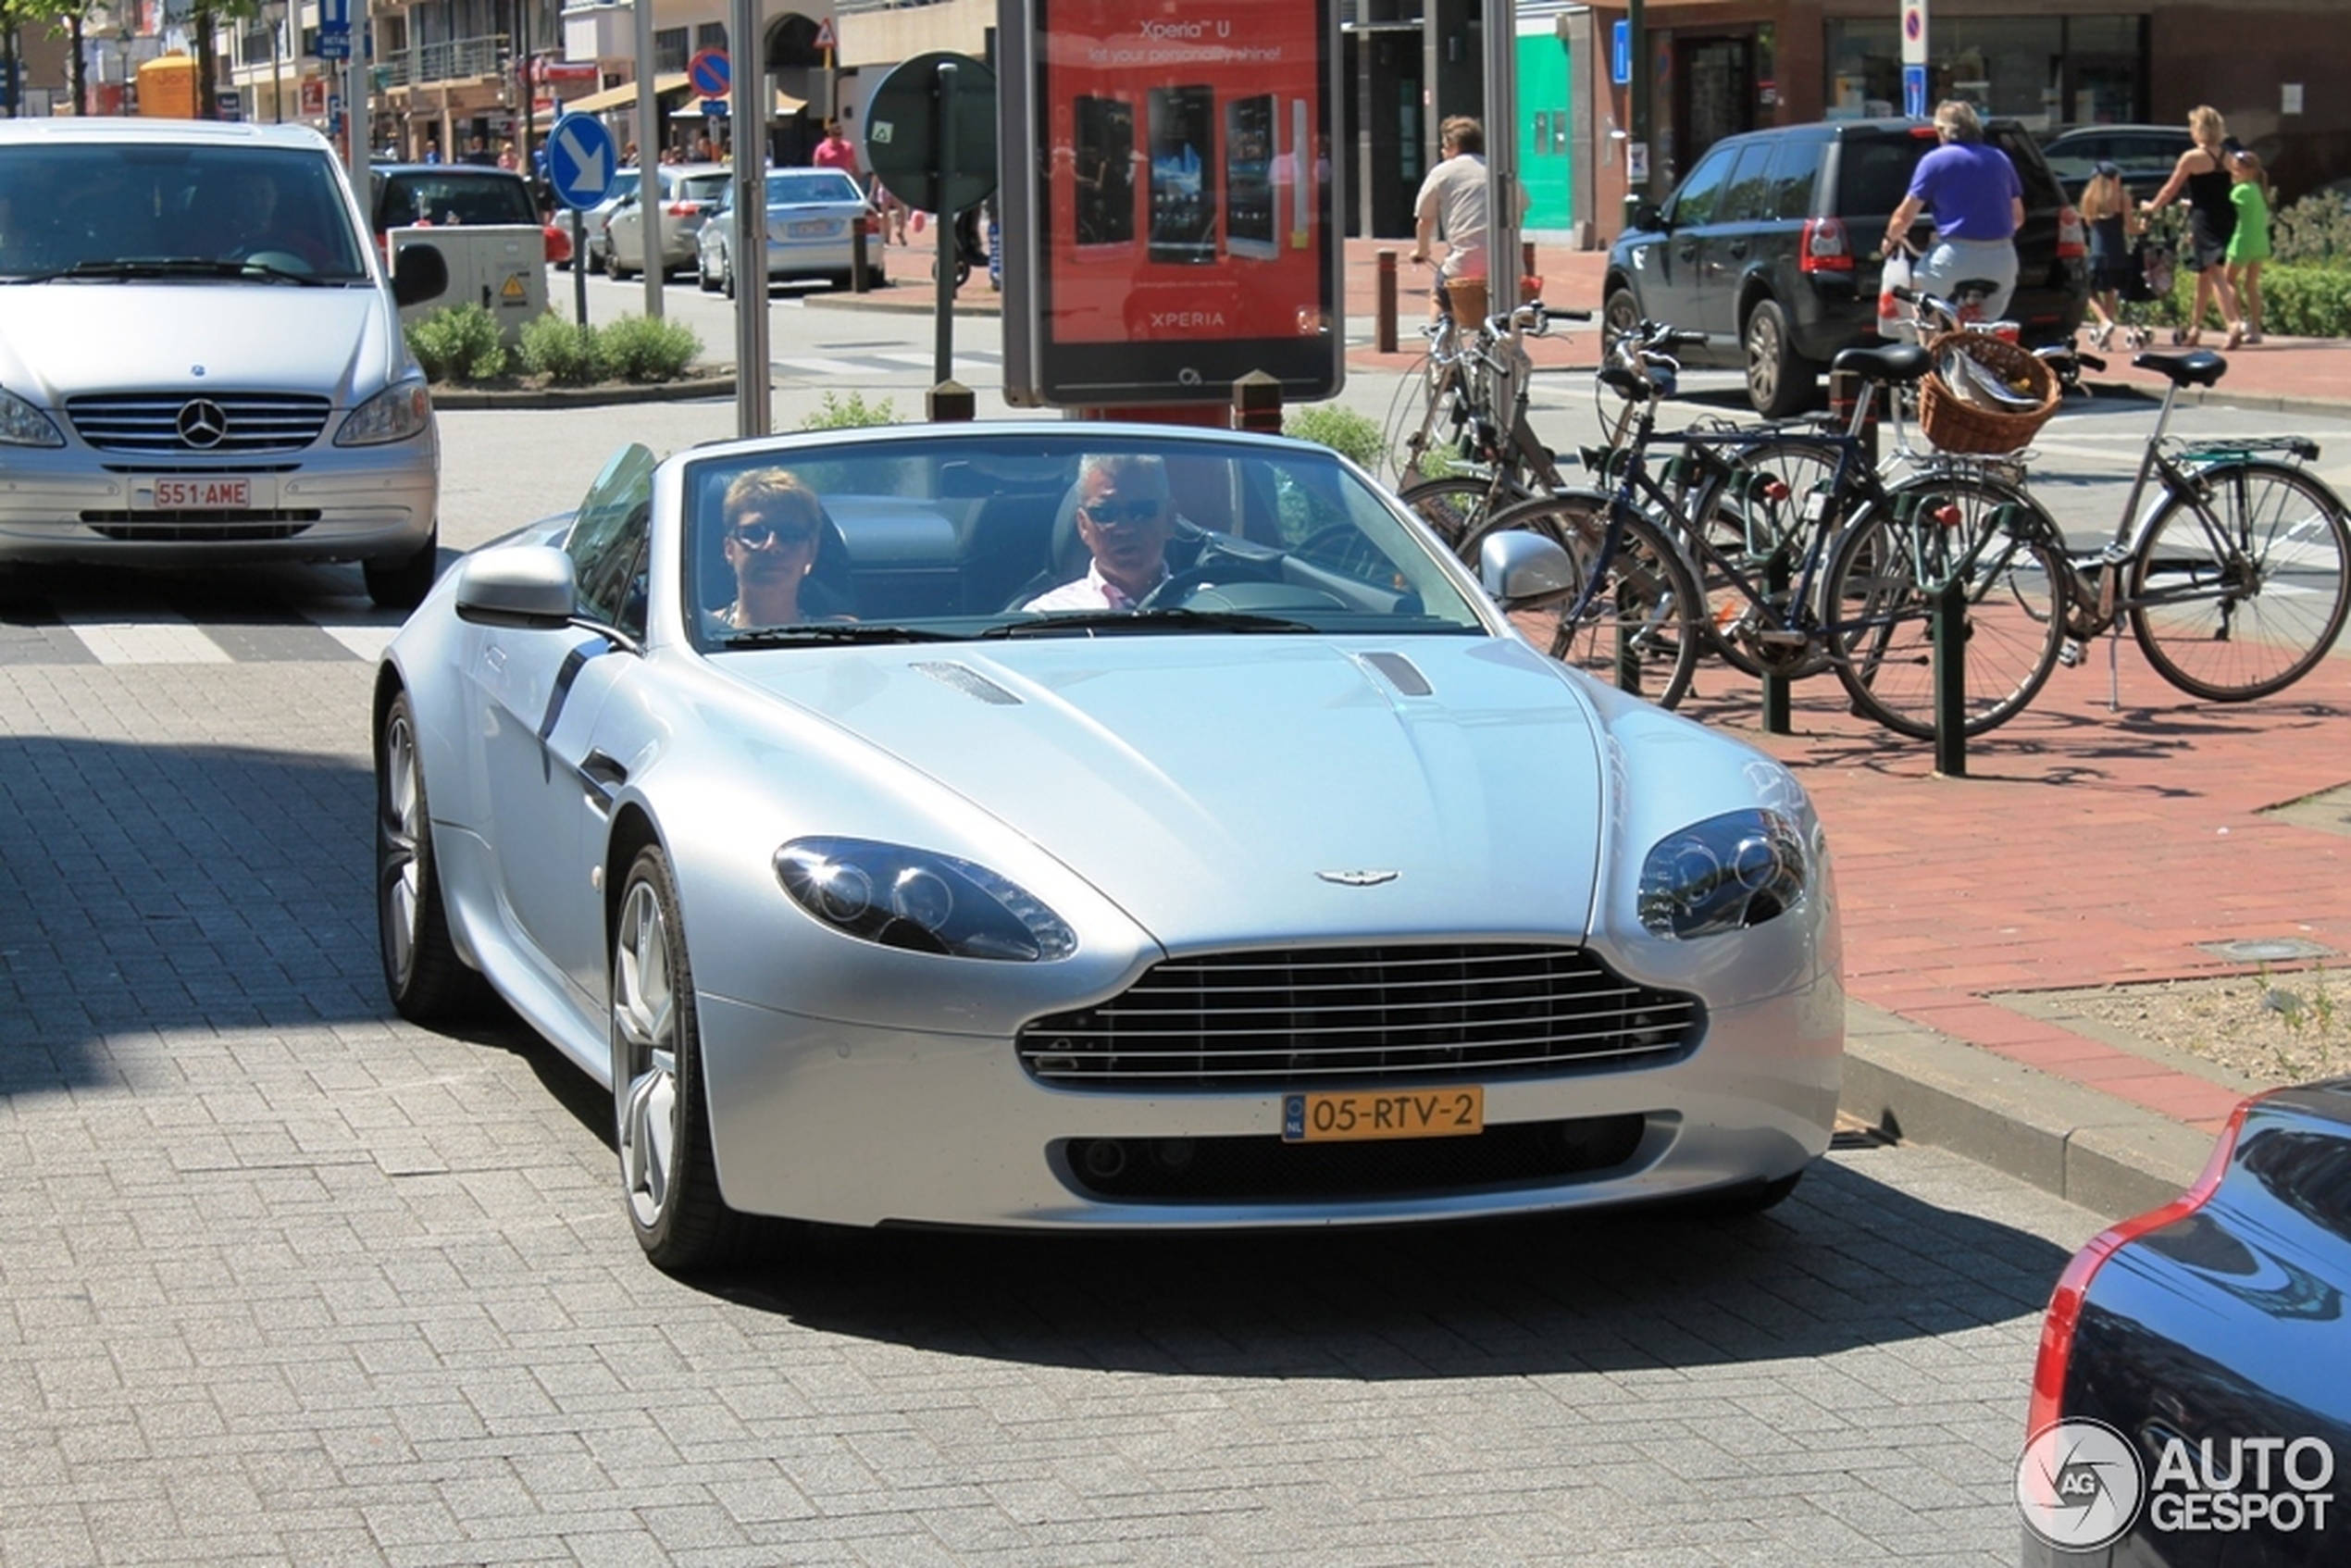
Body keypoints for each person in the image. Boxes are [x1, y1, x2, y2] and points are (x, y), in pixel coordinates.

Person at [1882, 99, 2023, 325]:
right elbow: (2017, 218)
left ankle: (1929, 354)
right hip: (2003, 259)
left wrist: (1890, 240)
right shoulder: (2000, 159)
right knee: (1986, 325)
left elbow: (1903, 217)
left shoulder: (1935, 161)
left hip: (1955, 257)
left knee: (1921, 293)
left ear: (1942, 131)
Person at [2143, 106, 2245, 348]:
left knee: (2214, 270)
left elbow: (2170, 188)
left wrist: (2152, 206)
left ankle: (2233, 324)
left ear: (2199, 129)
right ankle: (2195, 328)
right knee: (2204, 273)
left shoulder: (2192, 157)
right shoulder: (2229, 157)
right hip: (2226, 215)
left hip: (2204, 218)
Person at [1024, 454, 1176, 612]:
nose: (1124, 529)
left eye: (1141, 511)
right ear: (1083, 525)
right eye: (1105, 513)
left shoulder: (1201, 608)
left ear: (1170, 519)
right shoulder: (1047, 617)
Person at [712, 469, 835, 629]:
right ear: (729, 549)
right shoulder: (692, 636)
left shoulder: (837, 638)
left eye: (791, 534)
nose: (772, 545)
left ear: (811, 551)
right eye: (754, 533)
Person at [1411, 116, 1493, 327]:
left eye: (1444, 147)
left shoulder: (1443, 172)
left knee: (1439, 296)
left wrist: (1422, 252)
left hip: (1463, 263)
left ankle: (1439, 350)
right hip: (1505, 265)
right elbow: (1521, 206)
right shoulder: (1497, 170)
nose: (1443, 152)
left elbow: (1424, 220)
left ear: (1454, 146)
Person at [2079, 160, 2138, 350]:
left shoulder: (2089, 198)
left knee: (2089, 291)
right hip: (2118, 252)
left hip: (2098, 252)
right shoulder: (2122, 198)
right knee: (2110, 292)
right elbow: (2130, 227)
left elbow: (2088, 223)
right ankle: (2107, 332)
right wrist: (2141, 228)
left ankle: (2104, 322)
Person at [2226, 149, 2272, 345]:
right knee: (2251, 285)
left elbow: (2225, 208)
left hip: (2241, 242)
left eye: (2238, 170)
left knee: (2227, 281)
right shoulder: (2259, 190)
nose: (2234, 174)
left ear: (2251, 171)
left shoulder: (2240, 191)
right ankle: (2255, 327)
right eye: (2233, 170)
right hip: (2260, 242)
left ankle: (2238, 321)